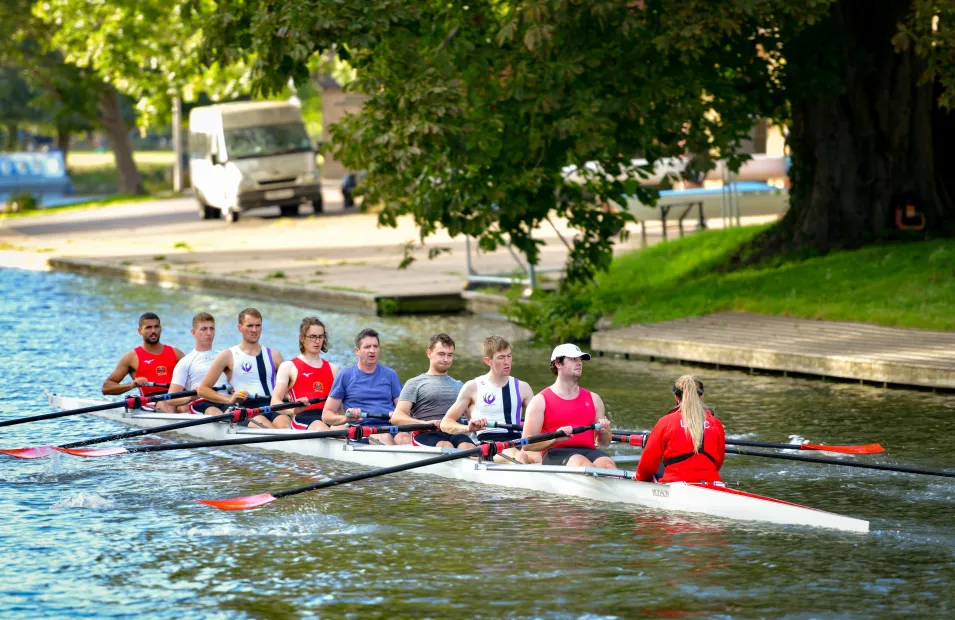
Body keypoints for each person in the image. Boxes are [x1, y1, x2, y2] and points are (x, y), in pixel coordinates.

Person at [440, 335, 537, 464]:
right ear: (488, 361)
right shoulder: (473, 387)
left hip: (517, 442)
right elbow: (445, 423)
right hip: (489, 445)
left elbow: (541, 422)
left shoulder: (523, 387)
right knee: (520, 457)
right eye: (501, 358)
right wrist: (468, 428)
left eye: (509, 356)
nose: (507, 362)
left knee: (538, 457)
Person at [521, 343, 615, 468]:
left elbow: (603, 443)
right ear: (558, 364)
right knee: (582, 463)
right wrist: (555, 439)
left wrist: (605, 432)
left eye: (580, 359)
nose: (579, 363)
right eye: (573, 359)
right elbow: (526, 444)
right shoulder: (540, 401)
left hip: (589, 451)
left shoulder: (594, 399)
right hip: (555, 453)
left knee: (608, 464)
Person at [196, 308, 285, 428]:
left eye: (258, 325)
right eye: (250, 326)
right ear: (240, 327)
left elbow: (291, 388)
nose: (254, 330)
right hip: (245, 409)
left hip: (272, 406)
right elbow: (203, 390)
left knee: (285, 424)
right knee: (266, 425)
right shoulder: (227, 355)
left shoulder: (275, 355)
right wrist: (229, 400)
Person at [389, 333, 475, 449]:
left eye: (450, 355)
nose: (446, 359)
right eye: (441, 354)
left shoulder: (460, 385)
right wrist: (424, 424)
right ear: (429, 353)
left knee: (470, 448)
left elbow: (471, 417)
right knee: (446, 446)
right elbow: (397, 417)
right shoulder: (414, 383)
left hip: (453, 432)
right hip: (425, 433)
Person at [636, 375, 726, 483]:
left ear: (676, 397)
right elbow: (717, 463)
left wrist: (640, 478)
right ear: (701, 396)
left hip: (675, 483)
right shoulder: (716, 424)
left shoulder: (666, 422)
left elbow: (647, 464)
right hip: (712, 484)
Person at [321, 328, 402, 445]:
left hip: (389, 426)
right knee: (385, 438)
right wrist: (346, 419)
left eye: (375, 346)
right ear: (357, 351)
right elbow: (326, 415)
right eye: (367, 347)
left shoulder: (390, 374)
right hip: (361, 429)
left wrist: (401, 416)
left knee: (404, 438)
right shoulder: (345, 375)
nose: (372, 351)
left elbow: (402, 410)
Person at [270, 317, 341, 430]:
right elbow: (274, 402)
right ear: (302, 338)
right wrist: (293, 409)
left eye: (320, 337)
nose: (317, 341)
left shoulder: (334, 369)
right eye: (312, 337)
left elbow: (340, 406)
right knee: (320, 426)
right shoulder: (288, 367)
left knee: (346, 428)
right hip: (303, 418)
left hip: (327, 418)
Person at [157, 312, 229, 413]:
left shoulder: (224, 356)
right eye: (204, 329)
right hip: (202, 404)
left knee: (236, 411)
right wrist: (190, 398)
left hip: (226, 401)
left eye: (211, 328)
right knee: (213, 411)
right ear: (193, 332)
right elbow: (171, 399)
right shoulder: (186, 362)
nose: (209, 333)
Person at [102, 312, 185, 397]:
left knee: (183, 406)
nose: (153, 331)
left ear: (160, 329)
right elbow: (106, 388)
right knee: (167, 405)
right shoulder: (131, 357)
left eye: (156, 327)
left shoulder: (176, 353)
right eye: (148, 328)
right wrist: (132, 385)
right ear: (140, 331)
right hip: (150, 401)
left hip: (176, 398)